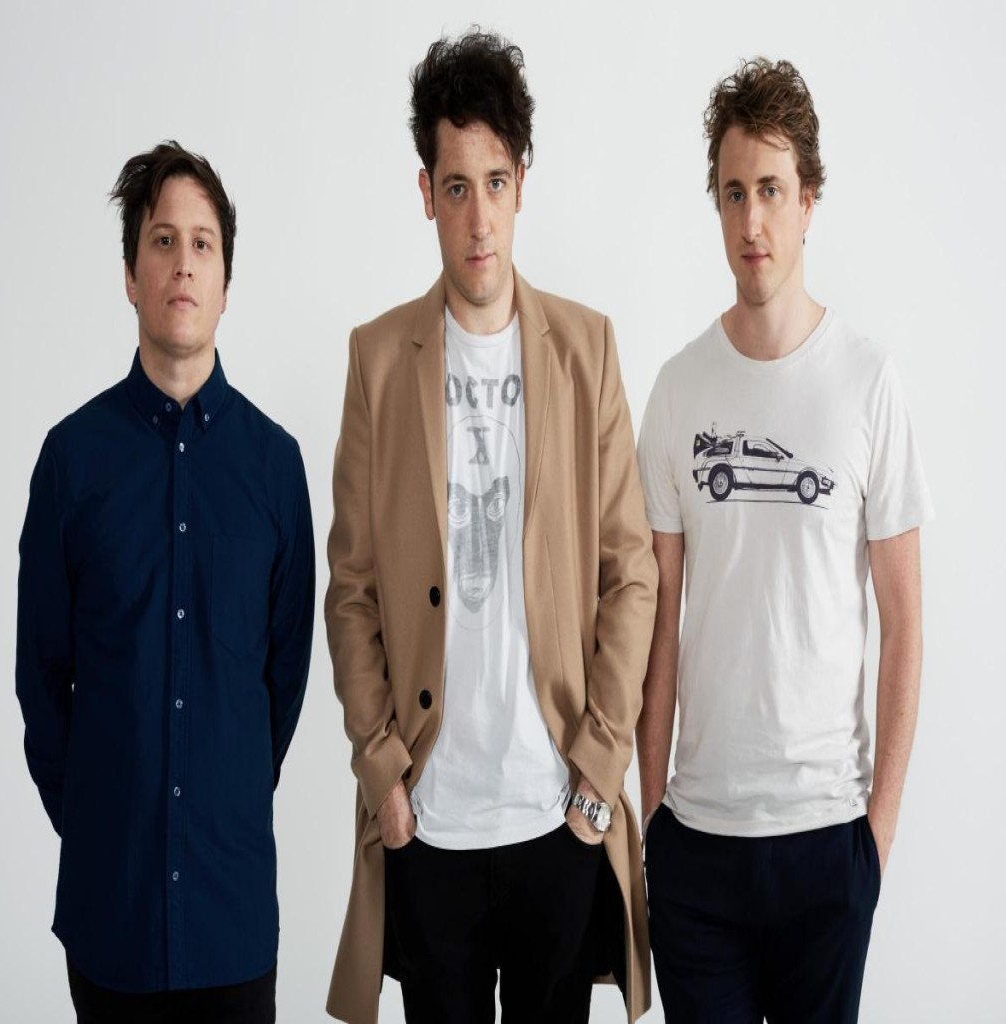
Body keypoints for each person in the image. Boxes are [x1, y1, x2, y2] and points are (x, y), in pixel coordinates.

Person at [325, 29, 657, 1024]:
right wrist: (384, 775)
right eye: (457, 186)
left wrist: (597, 772)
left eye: (497, 183)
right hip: (430, 827)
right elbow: (351, 588)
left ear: (522, 186)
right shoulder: (378, 359)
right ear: (425, 192)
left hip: (556, 818)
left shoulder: (585, 349)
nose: (478, 218)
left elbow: (630, 572)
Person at [636, 58, 934, 1023]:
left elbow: (904, 623)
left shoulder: (868, 382)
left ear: (809, 201)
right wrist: (651, 819)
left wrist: (876, 837)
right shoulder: (678, 390)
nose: (751, 221)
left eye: (771, 190)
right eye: (734, 193)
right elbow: (658, 624)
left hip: (827, 842)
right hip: (698, 846)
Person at [16, 141, 315, 1024]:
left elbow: (285, 679)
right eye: (162, 240)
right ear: (130, 275)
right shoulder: (71, 461)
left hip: (231, 918)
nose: (183, 262)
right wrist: (100, 817)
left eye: (203, 244)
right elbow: (41, 677)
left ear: (225, 282)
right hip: (110, 913)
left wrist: (222, 794)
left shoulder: (275, 468)